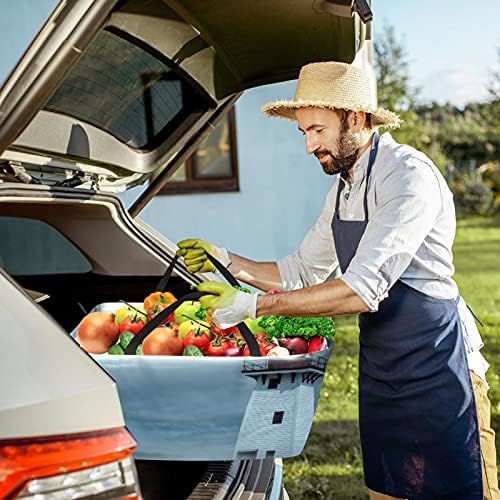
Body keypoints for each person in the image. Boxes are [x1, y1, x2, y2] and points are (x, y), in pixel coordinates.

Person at [176, 62, 499, 500]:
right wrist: (228, 260)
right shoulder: (344, 188)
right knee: (387, 490)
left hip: (439, 365)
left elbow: (362, 289)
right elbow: (302, 271)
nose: (309, 146)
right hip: (383, 367)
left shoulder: (407, 177)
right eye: (304, 132)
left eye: (317, 130)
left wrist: (255, 306)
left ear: (356, 118)